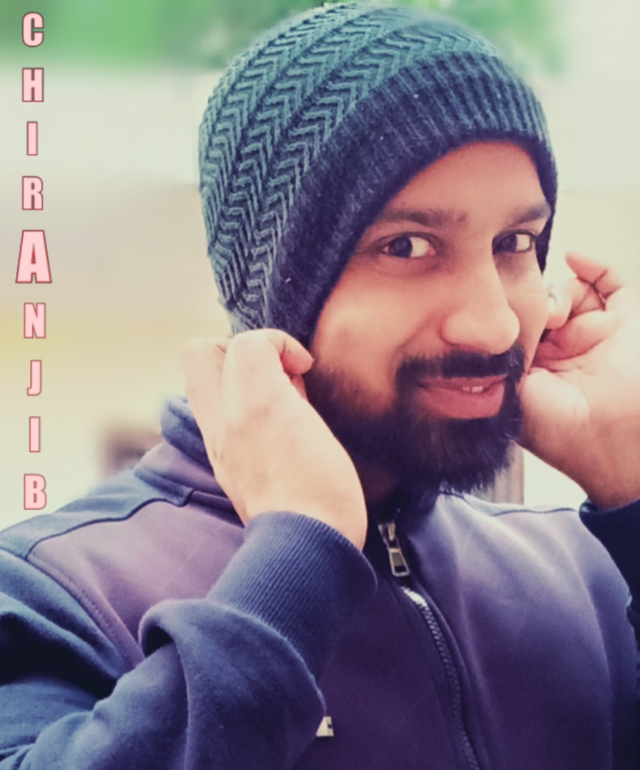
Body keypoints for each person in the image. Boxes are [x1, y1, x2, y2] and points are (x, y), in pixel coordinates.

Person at [1, 3, 639, 768]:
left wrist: (634, 489)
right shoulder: (50, 591)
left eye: (516, 242)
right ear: (278, 288)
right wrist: (298, 557)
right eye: (408, 247)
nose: (495, 324)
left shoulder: (588, 571)